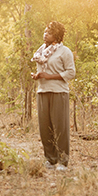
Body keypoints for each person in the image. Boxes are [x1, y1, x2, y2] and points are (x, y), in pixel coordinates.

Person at [31, 21, 76, 171]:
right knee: (45, 127)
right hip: (42, 91)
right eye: (44, 32)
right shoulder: (41, 51)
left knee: (60, 127)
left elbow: (71, 73)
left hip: (59, 92)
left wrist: (49, 76)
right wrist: (38, 76)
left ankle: (63, 161)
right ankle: (50, 159)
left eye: (48, 33)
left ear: (56, 35)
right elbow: (43, 71)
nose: (45, 35)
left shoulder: (65, 52)